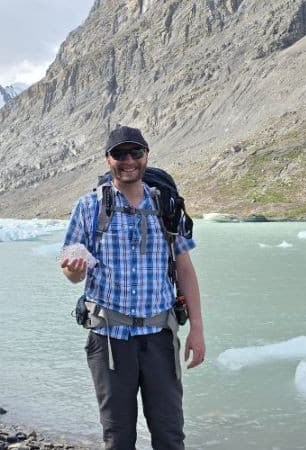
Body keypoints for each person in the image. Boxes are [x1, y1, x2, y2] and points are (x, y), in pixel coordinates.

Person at [60, 125, 205, 450]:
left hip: (159, 337)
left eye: (135, 153)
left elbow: (184, 269)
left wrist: (197, 329)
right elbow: (72, 272)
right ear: (107, 159)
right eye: (119, 154)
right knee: (118, 436)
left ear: (146, 156)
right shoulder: (88, 208)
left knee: (170, 435)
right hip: (110, 339)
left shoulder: (167, 206)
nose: (128, 161)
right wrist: (73, 271)